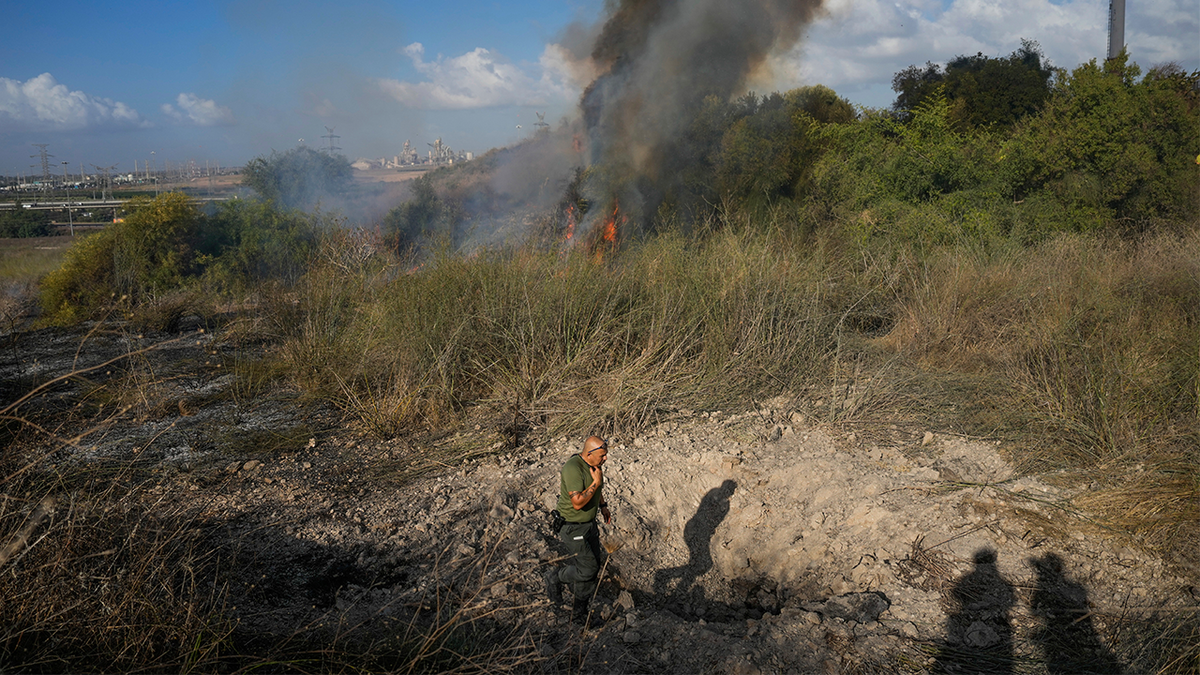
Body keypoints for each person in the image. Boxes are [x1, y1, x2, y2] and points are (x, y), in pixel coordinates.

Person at [545, 436, 612, 625]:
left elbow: (595, 490)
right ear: (589, 454)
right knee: (588, 568)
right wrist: (596, 483)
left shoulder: (595, 465)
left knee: (592, 567)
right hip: (572, 526)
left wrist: (603, 505)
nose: (605, 459)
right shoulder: (572, 469)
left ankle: (579, 612)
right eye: (602, 455)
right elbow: (577, 503)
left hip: (588, 524)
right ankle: (555, 577)